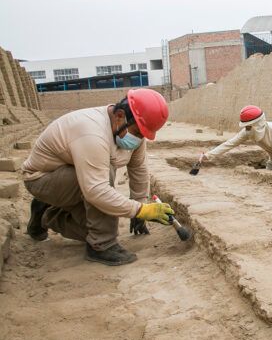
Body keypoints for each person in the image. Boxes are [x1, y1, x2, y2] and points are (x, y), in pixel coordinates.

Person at [22, 88, 175, 266]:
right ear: (119, 115)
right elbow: (96, 190)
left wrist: (140, 202)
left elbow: (138, 168)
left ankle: (46, 216)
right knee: (105, 177)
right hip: (42, 179)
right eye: (138, 132)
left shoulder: (130, 130)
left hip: (74, 177)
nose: (139, 138)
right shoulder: (92, 131)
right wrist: (141, 210)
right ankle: (102, 246)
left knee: (95, 226)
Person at [203, 105, 272, 173]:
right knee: (267, 179)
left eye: (249, 126)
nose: (247, 129)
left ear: (257, 124)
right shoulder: (248, 131)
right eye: (246, 127)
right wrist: (208, 155)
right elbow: (230, 143)